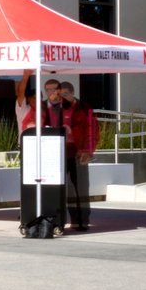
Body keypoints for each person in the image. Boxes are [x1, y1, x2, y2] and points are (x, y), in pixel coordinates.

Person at [51, 81, 99, 231]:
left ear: (72, 93)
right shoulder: (54, 109)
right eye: (60, 95)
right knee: (59, 188)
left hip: (79, 154)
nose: (62, 98)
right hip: (59, 153)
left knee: (81, 188)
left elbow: (93, 131)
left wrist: (88, 152)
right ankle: (58, 220)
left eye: (65, 94)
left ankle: (82, 220)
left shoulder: (84, 109)